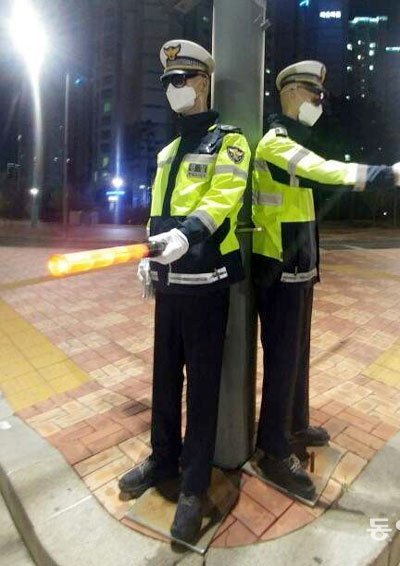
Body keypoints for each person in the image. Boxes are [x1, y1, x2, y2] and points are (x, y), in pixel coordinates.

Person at [252, 60, 400, 499]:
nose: (319, 102)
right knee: (282, 361)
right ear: (291, 93)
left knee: (297, 356)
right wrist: (388, 175)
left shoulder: (295, 142)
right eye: (314, 94)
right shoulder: (275, 146)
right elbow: (327, 172)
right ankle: (273, 448)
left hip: (299, 267)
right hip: (278, 270)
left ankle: (295, 424)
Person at [118, 39, 250, 543]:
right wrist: (148, 255)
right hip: (169, 285)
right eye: (167, 82)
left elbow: (224, 199)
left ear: (203, 82)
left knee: (203, 387)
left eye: (182, 79)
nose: (174, 88)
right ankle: (162, 458)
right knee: (164, 379)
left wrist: (186, 235)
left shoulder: (230, 143)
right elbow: (156, 212)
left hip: (207, 283)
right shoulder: (168, 152)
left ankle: (194, 485)